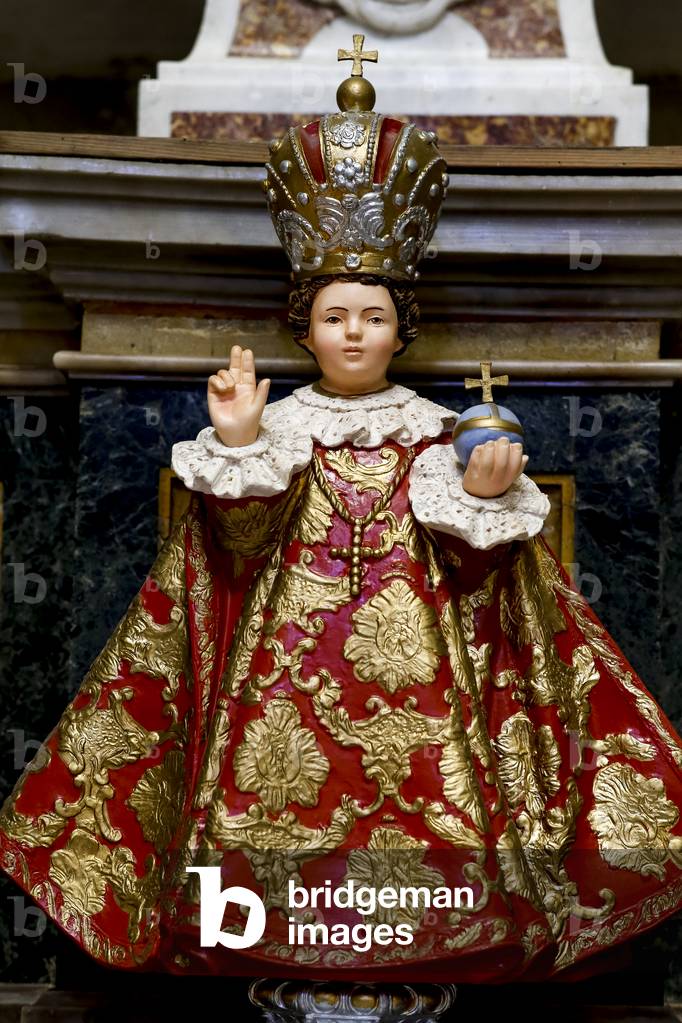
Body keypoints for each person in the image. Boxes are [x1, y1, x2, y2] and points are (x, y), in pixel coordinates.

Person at [1, 39, 681, 986]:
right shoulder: (281, 429)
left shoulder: (436, 428)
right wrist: (239, 445)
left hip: (429, 696)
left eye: (372, 315)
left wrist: (480, 497)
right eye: (334, 315)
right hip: (278, 695)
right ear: (303, 324)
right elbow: (227, 559)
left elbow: (493, 596)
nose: (353, 332)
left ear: (405, 325)